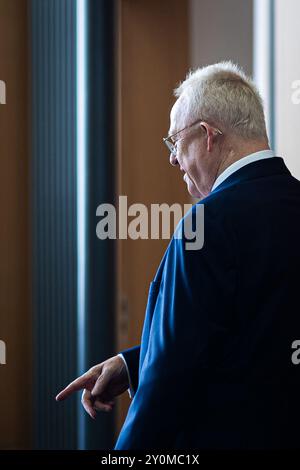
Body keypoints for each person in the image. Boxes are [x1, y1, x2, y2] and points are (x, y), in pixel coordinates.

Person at [56, 62, 300, 449]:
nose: (172, 159)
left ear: (206, 136)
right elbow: (258, 337)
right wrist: (132, 364)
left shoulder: (206, 224)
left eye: (175, 142)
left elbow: (168, 384)